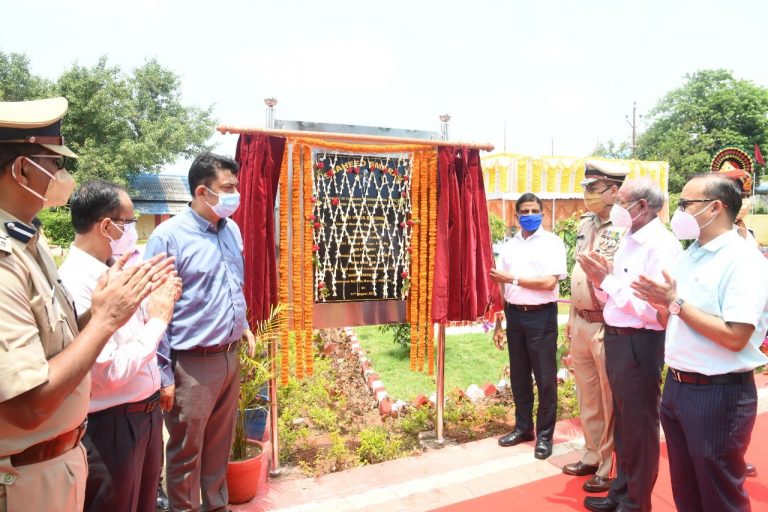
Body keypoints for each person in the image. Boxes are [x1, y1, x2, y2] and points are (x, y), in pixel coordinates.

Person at [0, 97, 173, 511]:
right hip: (28, 475)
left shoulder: (29, 242)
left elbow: (57, 342)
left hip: (61, 456)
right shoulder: (6, 257)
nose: (63, 176)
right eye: (55, 163)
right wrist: (106, 320)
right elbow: (28, 404)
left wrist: (102, 311)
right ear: (22, 170)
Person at [633, 174, 768, 512]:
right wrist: (661, 304)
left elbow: (735, 336)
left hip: (718, 393)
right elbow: (673, 320)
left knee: (720, 496)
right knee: (687, 490)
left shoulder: (743, 260)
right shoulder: (689, 255)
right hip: (678, 386)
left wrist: (675, 303)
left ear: (715, 207)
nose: (678, 212)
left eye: (685, 204)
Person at [58, 180, 181, 512]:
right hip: (110, 425)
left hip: (144, 414)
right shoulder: (76, 282)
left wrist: (159, 300)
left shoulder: (118, 268)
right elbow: (108, 374)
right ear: (106, 227)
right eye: (129, 221)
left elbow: (135, 334)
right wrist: (158, 319)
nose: (133, 229)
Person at [144, 152, 256, 511]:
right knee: (186, 452)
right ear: (202, 192)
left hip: (228, 356)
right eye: (228, 187)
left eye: (235, 186)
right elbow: (154, 307)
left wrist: (244, 326)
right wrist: (164, 374)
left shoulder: (231, 230)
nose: (235, 194)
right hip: (190, 364)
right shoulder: (168, 237)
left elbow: (232, 284)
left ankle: (217, 506)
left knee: (219, 447)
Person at [578, 178, 682, 512]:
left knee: (639, 426)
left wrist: (606, 281)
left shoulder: (660, 246)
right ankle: (620, 492)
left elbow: (653, 310)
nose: (615, 208)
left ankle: (637, 502)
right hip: (618, 337)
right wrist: (601, 281)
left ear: (642, 206)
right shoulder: (628, 238)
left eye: (622, 202)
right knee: (623, 422)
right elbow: (615, 294)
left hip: (641, 341)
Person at [562, 160, 627, 493]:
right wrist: (571, 319)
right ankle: (590, 453)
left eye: (594, 188)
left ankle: (607, 464)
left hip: (607, 323)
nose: (587, 194)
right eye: (586, 188)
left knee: (608, 397)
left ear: (614, 191)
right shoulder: (586, 223)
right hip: (581, 320)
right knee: (587, 395)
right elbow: (579, 274)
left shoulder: (625, 227)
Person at [491, 193, 567, 460]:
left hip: (541, 316)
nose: (530, 215)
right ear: (517, 216)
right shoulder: (509, 245)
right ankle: (523, 428)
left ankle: (545, 436)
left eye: (535, 210)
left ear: (543, 213)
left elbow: (549, 283)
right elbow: (500, 284)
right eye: (525, 211)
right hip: (515, 316)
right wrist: (498, 322)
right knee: (519, 376)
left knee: (545, 379)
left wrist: (514, 278)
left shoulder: (552, 243)